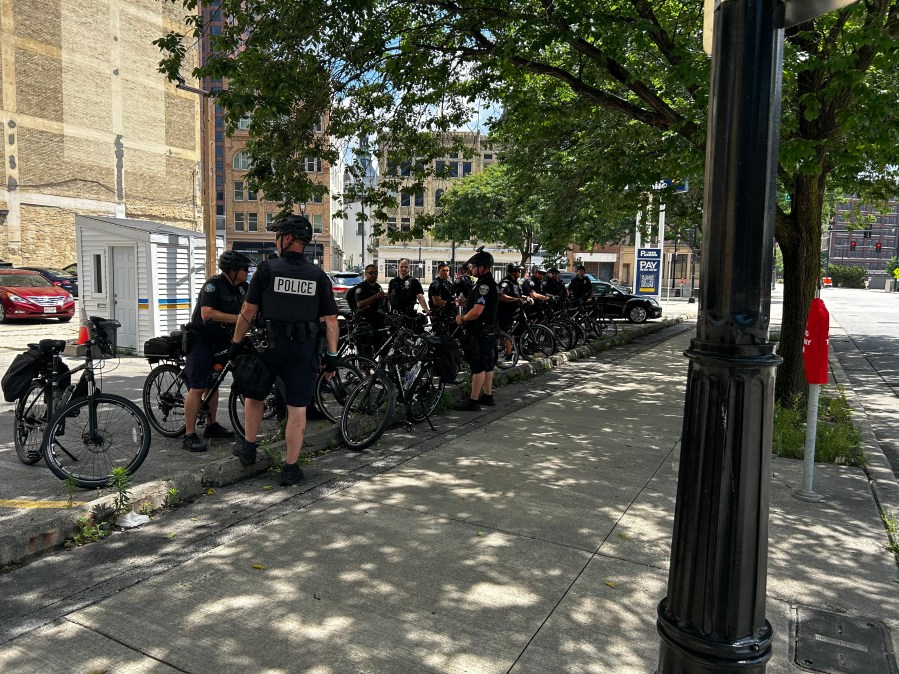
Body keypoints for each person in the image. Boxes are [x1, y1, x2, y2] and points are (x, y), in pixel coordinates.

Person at [229, 214, 339, 486]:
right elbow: (331, 321)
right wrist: (333, 358)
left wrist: (235, 343)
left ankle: (249, 447)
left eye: (278, 235)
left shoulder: (267, 270)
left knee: (255, 395)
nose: (276, 241)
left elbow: (247, 310)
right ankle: (290, 468)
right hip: (303, 352)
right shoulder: (318, 276)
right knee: (297, 408)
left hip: (269, 348)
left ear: (287, 239)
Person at [181, 251, 252, 452]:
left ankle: (211, 426)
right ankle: (189, 434)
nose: (248, 272)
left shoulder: (243, 288)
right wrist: (240, 319)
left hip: (223, 339)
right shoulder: (213, 285)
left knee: (215, 380)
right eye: (245, 269)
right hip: (201, 340)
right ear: (232, 270)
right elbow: (207, 313)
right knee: (198, 387)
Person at [455, 248, 499, 411]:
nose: (471, 269)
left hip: (479, 332)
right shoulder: (487, 283)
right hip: (488, 331)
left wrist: (462, 318)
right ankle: (488, 396)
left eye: (474, 266)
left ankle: (473, 401)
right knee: (487, 365)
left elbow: (478, 311)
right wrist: (466, 303)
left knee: (478, 366)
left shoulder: (484, 285)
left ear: (482, 267)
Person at [351, 263, 388, 355]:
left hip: (377, 322)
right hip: (365, 323)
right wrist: (375, 297)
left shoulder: (378, 287)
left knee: (380, 349)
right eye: (371, 273)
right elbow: (360, 304)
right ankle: (364, 368)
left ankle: (378, 367)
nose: (373, 275)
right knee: (365, 352)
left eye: (375, 273)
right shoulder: (361, 288)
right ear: (365, 274)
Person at [496, 263, 526, 364]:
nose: (520, 273)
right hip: (504, 313)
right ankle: (494, 354)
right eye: (518, 271)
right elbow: (501, 296)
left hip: (514, 312)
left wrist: (527, 298)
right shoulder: (505, 282)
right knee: (501, 334)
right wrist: (516, 299)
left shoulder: (515, 282)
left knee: (511, 333)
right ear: (513, 272)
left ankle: (509, 353)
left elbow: (519, 295)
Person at [387, 258, 429, 330]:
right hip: (395, 317)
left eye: (406, 267)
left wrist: (427, 311)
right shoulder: (393, 282)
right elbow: (389, 297)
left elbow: (420, 297)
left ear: (409, 269)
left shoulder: (414, 282)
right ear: (398, 267)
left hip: (408, 316)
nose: (403, 268)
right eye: (401, 266)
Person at [428, 263, 455, 331]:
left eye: (447, 270)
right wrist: (452, 303)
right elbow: (437, 301)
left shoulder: (448, 284)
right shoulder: (436, 284)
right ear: (438, 272)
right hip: (439, 316)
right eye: (443, 270)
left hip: (449, 314)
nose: (446, 272)